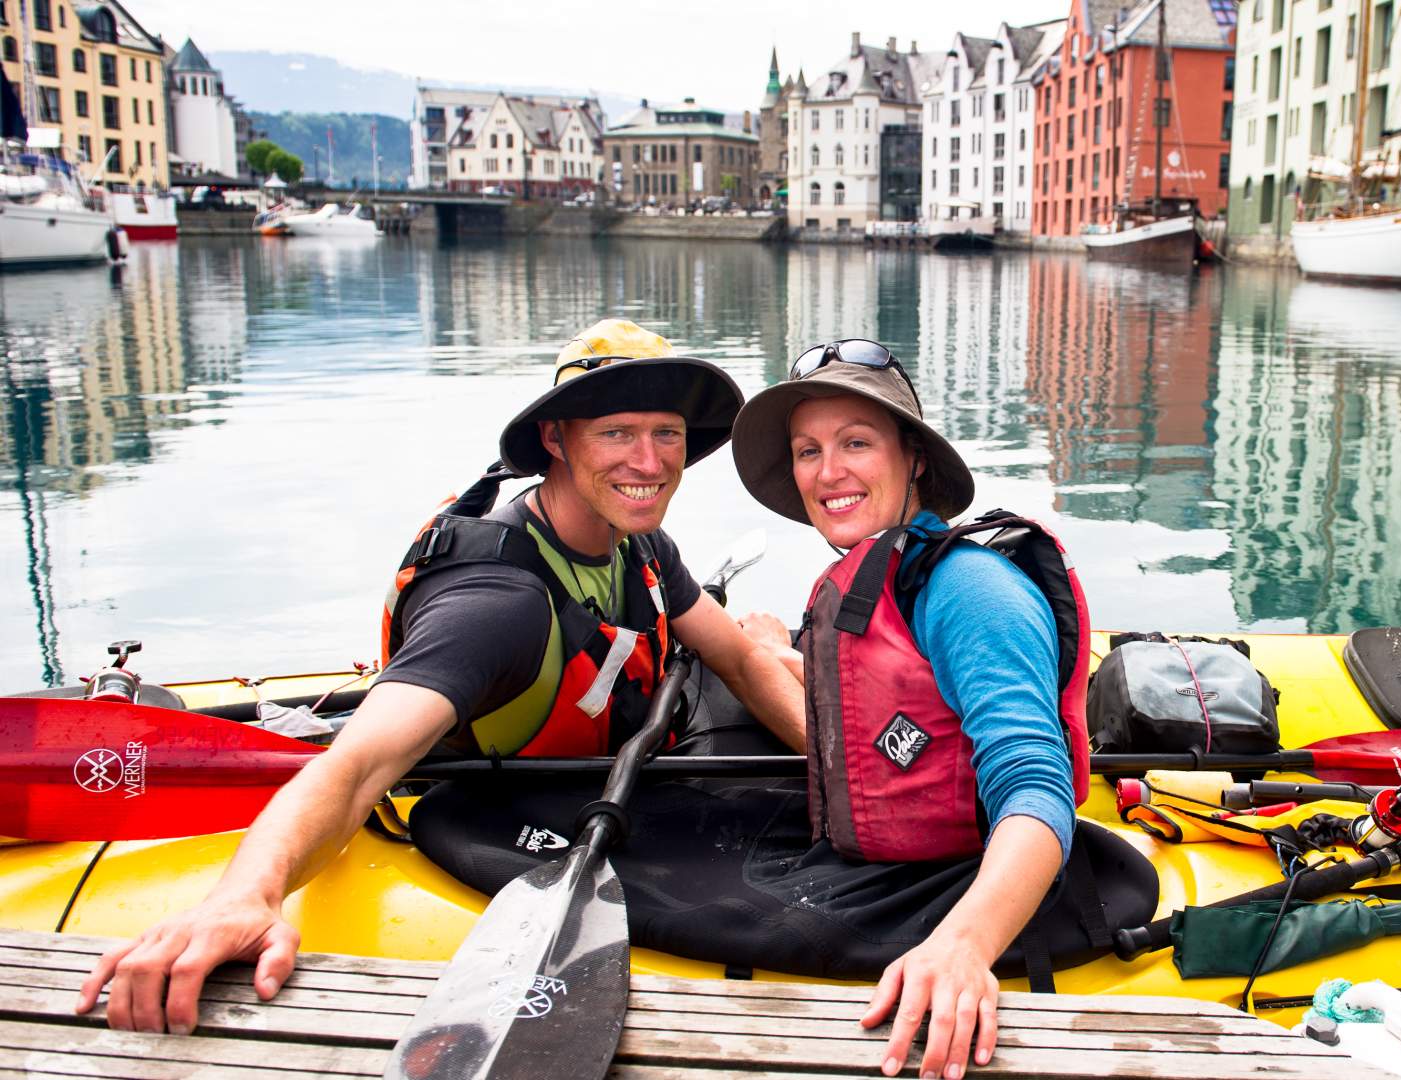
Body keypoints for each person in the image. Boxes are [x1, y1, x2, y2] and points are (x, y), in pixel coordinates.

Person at [76, 319, 805, 1034]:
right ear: (555, 439)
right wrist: (245, 895)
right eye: (617, 433)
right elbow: (359, 766)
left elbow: (739, 659)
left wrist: (838, 769)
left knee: (759, 661)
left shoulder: (637, 541)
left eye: (666, 434)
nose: (649, 462)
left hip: (609, 755)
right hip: (503, 805)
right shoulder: (497, 605)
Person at [731, 339, 1091, 1080]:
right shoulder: (876, 574)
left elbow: (1035, 783)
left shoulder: (971, 589)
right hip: (875, 862)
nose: (827, 472)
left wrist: (965, 943)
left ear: (915, 459)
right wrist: (770, 655)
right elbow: (879, 709)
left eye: (856, 443)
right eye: (808, 451)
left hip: (956, 881)